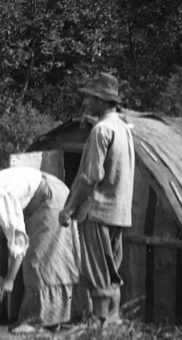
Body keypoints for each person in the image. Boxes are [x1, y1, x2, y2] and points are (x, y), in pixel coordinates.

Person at [0, 167, 78, 333]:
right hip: (42, 197)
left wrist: (9, 280)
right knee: (39, 259)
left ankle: (38, 320)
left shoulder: (1, 199)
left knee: (38, 260)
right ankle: (53, 317)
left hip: (53, 198)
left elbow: (18, 245)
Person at [58, 71, 135, 325]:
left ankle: (100, 329)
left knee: (97, 274)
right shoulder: (123, 129)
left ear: (101, 100)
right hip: (119, 213)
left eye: (89, 97)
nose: (85, 102)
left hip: (98, 211)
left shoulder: (100, 130)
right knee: (112, 272)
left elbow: (90, 177)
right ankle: (114, 322)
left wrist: (69, 209)